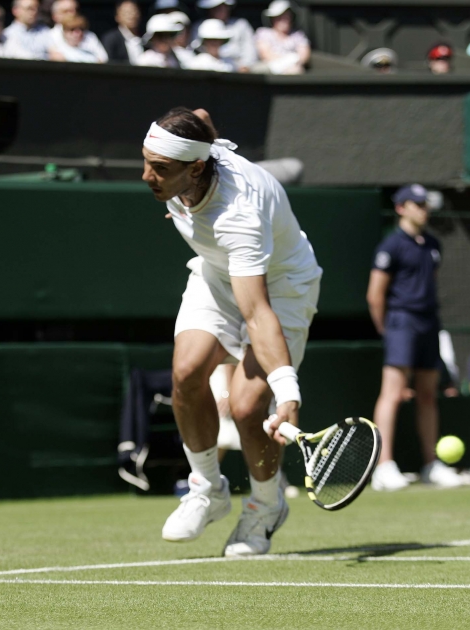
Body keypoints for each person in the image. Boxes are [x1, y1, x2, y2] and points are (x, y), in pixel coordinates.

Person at [142, 107, 322, 556]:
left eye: (160, 169)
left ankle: (266, 505)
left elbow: (258, 313)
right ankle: (207, 488)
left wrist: (288, 392)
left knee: (245, 407)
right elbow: (199, 116)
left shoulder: (237, 217)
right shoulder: (190, 159)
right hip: (216, 272)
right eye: (145, 161)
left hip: (281, 286)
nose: (148, 176)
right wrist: (178, 196)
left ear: (197, 168)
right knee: (186, 373)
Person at [367, 184, 470, 492]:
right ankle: (383, 467)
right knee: (393, 393)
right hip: (401, 321)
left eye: (425, 204)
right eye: (416, 204)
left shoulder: (433, 245)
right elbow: (375, 295)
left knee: (428, 394)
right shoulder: (391, 246)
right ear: (401, 208)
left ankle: (431, 465)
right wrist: (387, 330)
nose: (423, 209)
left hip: (429, 323)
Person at [192, 0, 257, 70]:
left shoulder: (241, 24)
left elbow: (250, 51)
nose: (220, 10)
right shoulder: (199, 26)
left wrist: (244, 68)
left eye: (223, 6)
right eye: (216, 7)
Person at [255, 0, 310, 74]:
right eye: (279, 17)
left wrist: (292, 63)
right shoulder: (264, 33)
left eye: (287, 16)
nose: (284, 20)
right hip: (269, 69)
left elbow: (304, 56)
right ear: (272, 18)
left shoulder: (298, 35)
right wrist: (288, 60)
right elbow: (265, 54)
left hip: (293, 70)